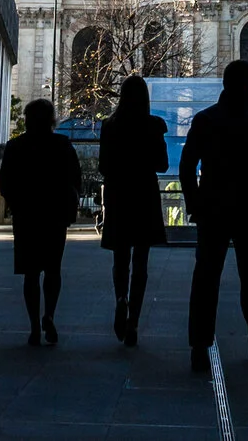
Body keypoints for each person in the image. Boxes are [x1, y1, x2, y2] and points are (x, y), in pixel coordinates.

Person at [180, 59, 248, 373]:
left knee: (205, 278)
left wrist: (195, 204)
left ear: (224, 83)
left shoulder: (205, 119)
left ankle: (199, 347)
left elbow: (186, 167)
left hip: (212, 210)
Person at [0, 98, 81, 345]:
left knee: (31, 274)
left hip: (27, 217)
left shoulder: (15, 146)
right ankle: (49, 314)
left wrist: (17, 204)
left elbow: (5, 182)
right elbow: (75, 178)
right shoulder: (62, 144)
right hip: (55, 216)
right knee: (53, 270)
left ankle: (34, 326)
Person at [97, 75, 169, 346]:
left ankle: (120, 298)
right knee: (141, 261)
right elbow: (162, 165)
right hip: (144, 195)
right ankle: (134, 322)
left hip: (119, 195)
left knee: (120, 257)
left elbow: (103, 166)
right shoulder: (153, 125)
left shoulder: (110, 126)